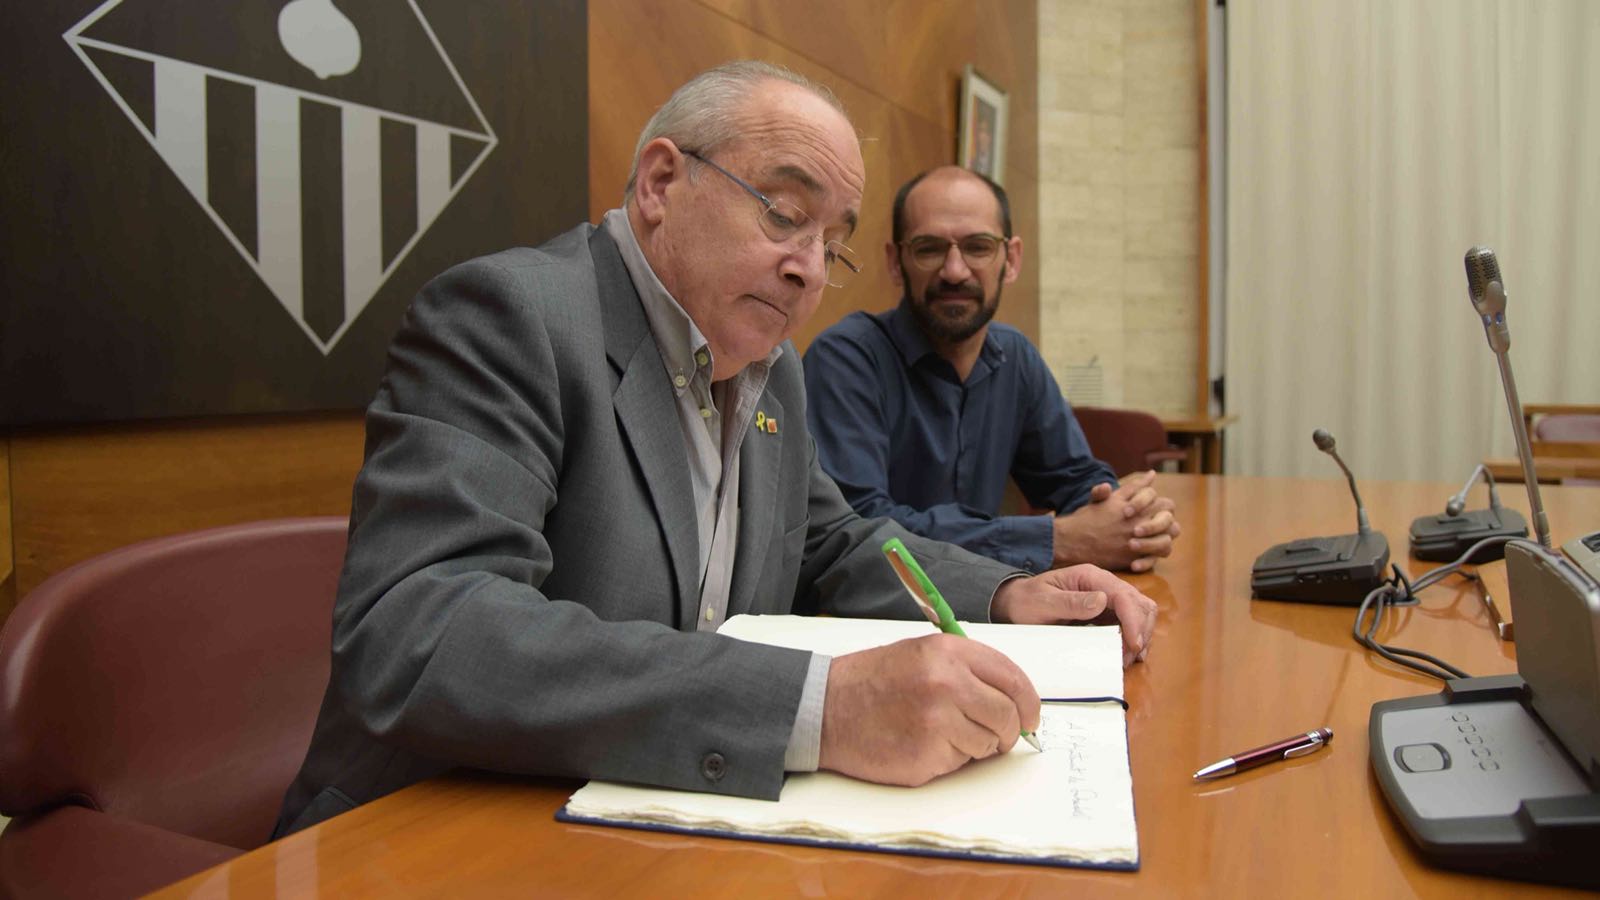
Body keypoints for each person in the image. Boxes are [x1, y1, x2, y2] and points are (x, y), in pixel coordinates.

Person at [275, 63, 1158, 836]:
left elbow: (829, 544)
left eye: (834, 243)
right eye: (785, 215)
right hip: (434, 829)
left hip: (648, 820)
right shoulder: (511, 319)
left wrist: (1006, 593)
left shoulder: (774, 372)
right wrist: (821, 707)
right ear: (662, 181)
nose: (810, 267)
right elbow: (423, 631)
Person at [803, 166, 1181, 574]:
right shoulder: (847, 359)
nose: (954, 271)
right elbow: (860, 531)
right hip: (870, 621)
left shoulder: (1014, 355)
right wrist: (1057, 541)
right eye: (929, 248)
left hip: (991, 608)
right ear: (896, 263)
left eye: (978, 247)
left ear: (1011, 259)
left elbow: (1074, 477)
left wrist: (1129, 516)